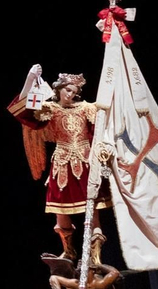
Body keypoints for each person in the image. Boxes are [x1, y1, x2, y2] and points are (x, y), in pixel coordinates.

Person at [10, 68, 109, 259]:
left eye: (74, 91)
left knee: (93, 210)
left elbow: (104, 127)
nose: (70, 94)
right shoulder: (50, 109)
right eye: (67, 90)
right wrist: (30, 78)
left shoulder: (87, 108)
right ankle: (69, 251)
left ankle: (95, 256)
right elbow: (23, 109)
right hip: (62, 165)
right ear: (58, 89)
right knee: (60, 212)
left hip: (86, 163)